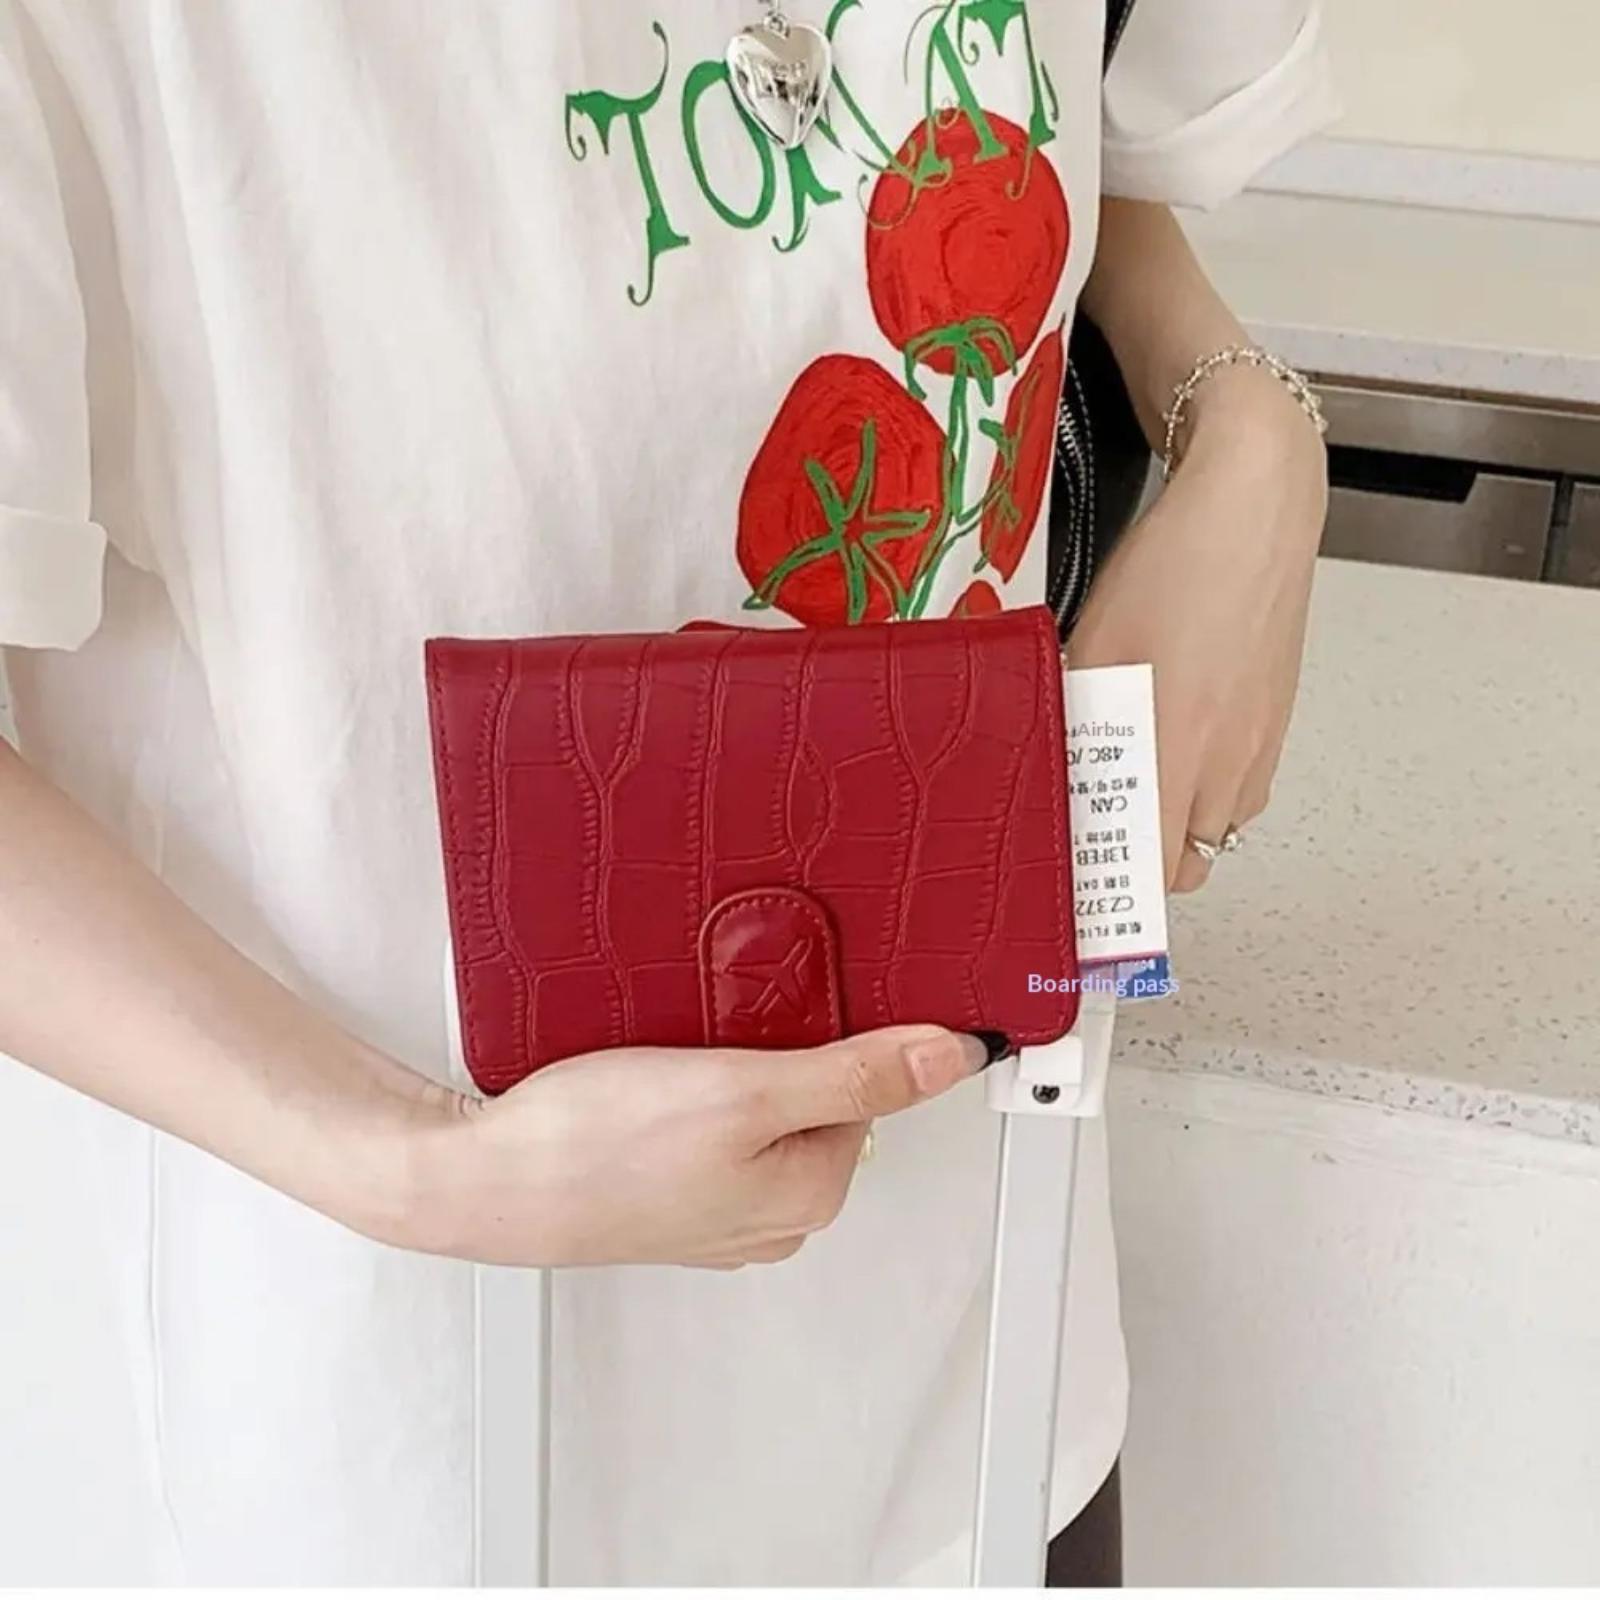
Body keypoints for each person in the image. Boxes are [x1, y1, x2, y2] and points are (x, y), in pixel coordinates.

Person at [0, 0, 1334, 1584]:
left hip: (985, 1378)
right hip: (423, 1440)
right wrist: (416, 1164)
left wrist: (1247, 431)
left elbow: (1051, 123)